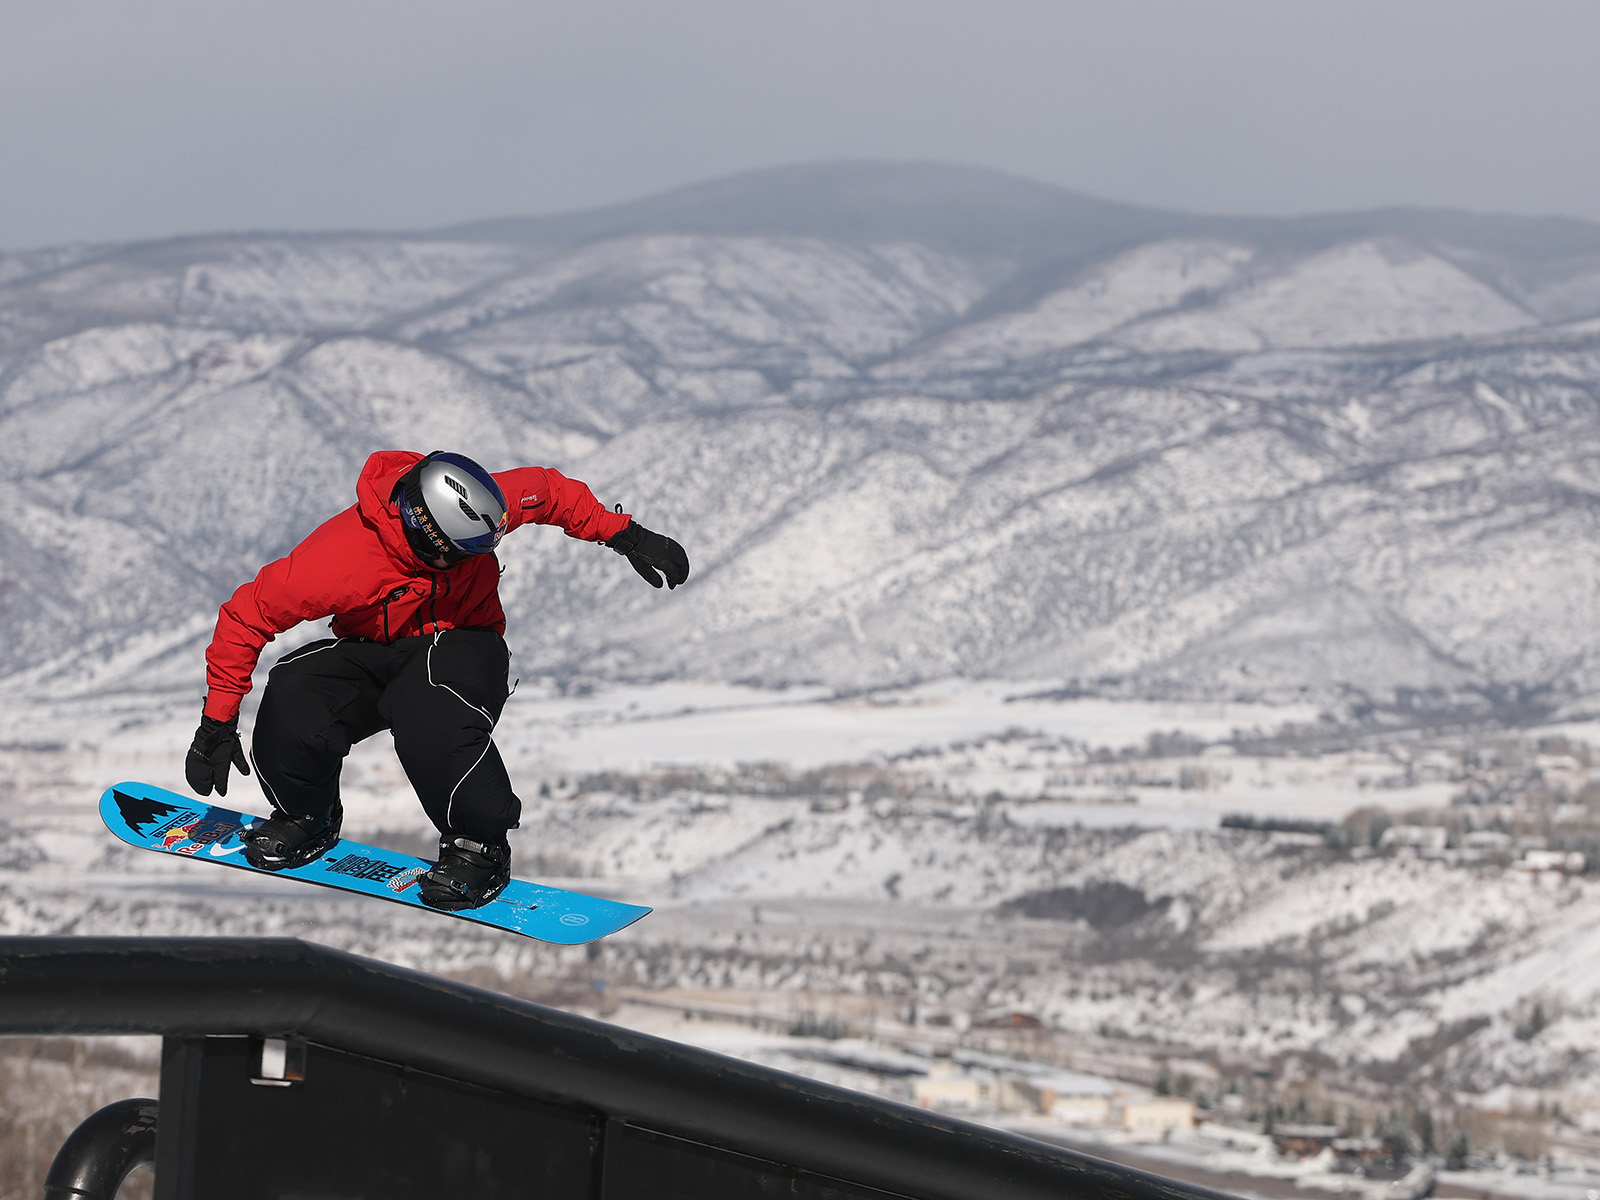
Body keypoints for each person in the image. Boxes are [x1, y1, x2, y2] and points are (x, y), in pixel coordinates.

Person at [184, 449, 688, 910]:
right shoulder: (340, 560)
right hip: (374, 651)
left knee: (429, 708)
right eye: (462, 553)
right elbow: (246, 616)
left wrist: (624, 533)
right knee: (297, 689)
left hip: (464, 643)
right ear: (429, 538)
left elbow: (550, 491)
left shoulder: (476, 505)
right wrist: (217, 724)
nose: (474, 559)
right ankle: (304, 815)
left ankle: (479, 848)